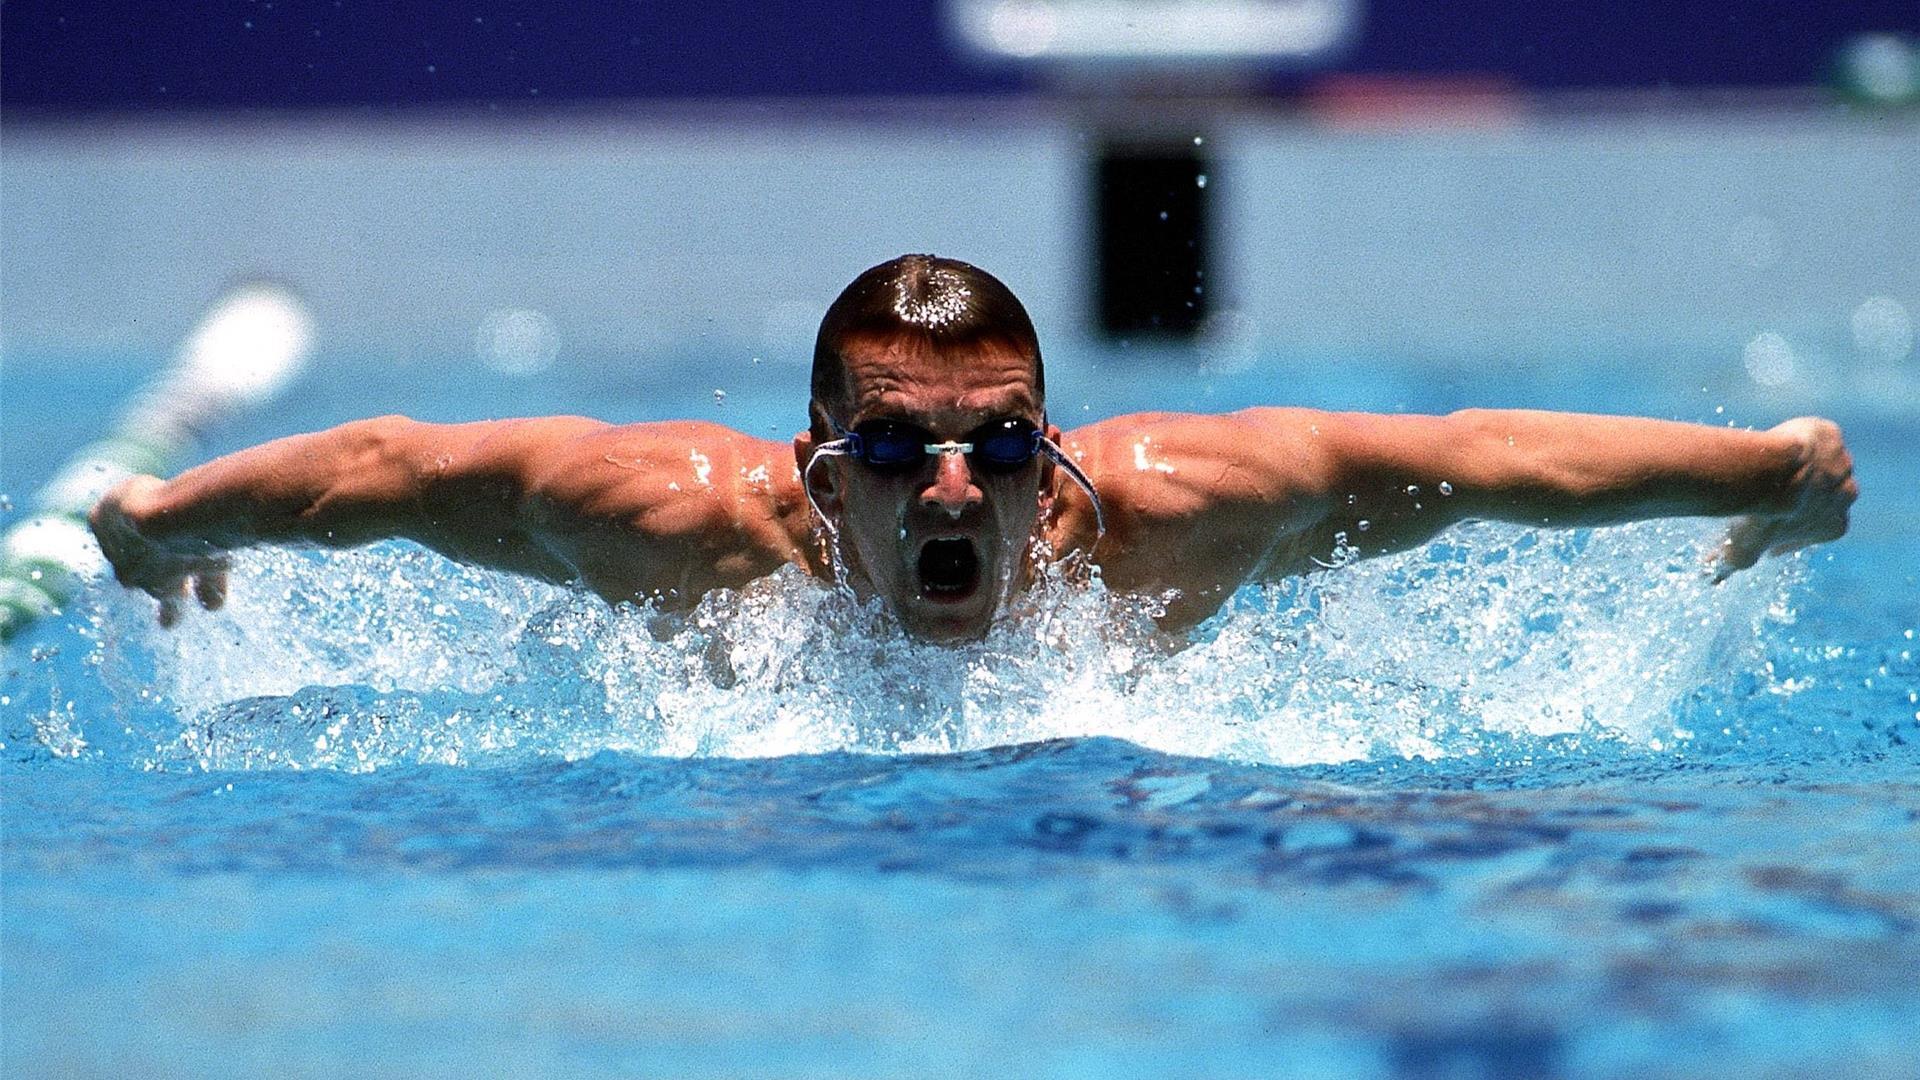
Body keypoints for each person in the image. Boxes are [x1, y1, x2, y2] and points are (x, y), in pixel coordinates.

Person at [90, 255, 1857, 643]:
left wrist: (1764, 474)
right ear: (812, 458)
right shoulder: (674, 521)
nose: (954, 492)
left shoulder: (1177, 515)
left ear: (1051, 442)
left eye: (1003, 452)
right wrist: (165, 519)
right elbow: (393, 470)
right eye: (896, 449)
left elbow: (1478, 457)